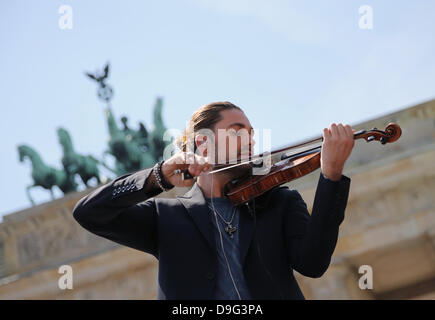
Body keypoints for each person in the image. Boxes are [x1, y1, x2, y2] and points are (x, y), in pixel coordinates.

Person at [72, 101, 355, 300]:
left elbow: (313, 262)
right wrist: (158, 176)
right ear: (203, 142)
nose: (250, 141)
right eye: (237, 131)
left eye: (251, 134)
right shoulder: (166, 217)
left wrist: (331, 177)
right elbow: (89, 213)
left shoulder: (280, 202)